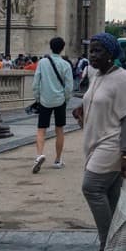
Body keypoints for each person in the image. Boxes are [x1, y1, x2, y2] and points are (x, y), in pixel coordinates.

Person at [79, 33, 126, 251]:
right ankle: (122, 249)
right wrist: (82, 109)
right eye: (91, 50)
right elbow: (98, 101)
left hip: (115, 144)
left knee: (91, 187)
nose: (93, 55)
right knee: (112, 200)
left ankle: (107, 248)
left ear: (111, 53)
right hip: (97, 142)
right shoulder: (96, 75)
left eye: (98, 51)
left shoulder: (124, 79)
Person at [32, 36, 73, 173]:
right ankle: (58, 159)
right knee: (59, 130)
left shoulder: (42, 62)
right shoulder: (66, 64)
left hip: (45, 100)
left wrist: (38, 98)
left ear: (50, 47)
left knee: (41, 130)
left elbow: (36, 82)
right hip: (60, 100)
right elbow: (69, 86)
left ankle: (39, 155)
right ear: (62, 48)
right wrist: (66, 99)